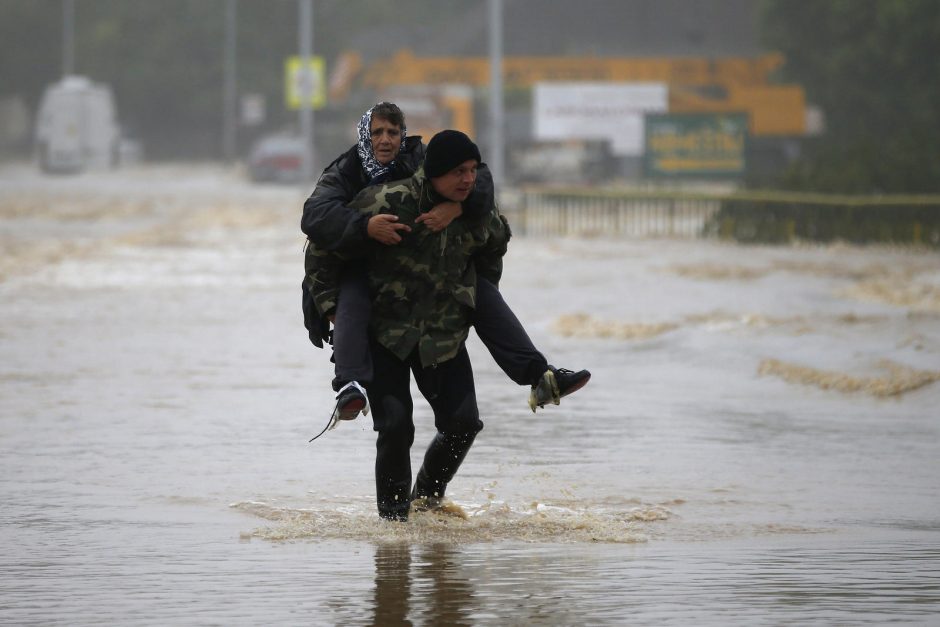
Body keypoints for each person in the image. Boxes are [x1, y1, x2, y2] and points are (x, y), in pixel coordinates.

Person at [301, 103, 589, 427]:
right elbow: (314, 218)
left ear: (402, 134)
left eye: (393, 132)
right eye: (376, 133)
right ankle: (349, 386)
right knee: (354, 297)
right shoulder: (345, 172)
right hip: (357, 262)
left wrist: (458, 206)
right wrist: (364, 228)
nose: (385, 140)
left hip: (427, 274)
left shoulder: (421, 159)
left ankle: (541, 376)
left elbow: (477, 178)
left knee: (478, 291)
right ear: (364, 136)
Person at [318, 131, 509, 519]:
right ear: (435, 173)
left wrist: (475, 296)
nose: (469, 180)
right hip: (385, 333)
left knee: (464, 424)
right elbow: (322, 247)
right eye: (459, 172)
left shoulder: (473, 209)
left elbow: (496, 244)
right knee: (396, 427)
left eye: (473, 171)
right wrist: (328, 306)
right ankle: (393, 526)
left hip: (441, 334)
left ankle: (426, 499)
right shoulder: (385, 201)